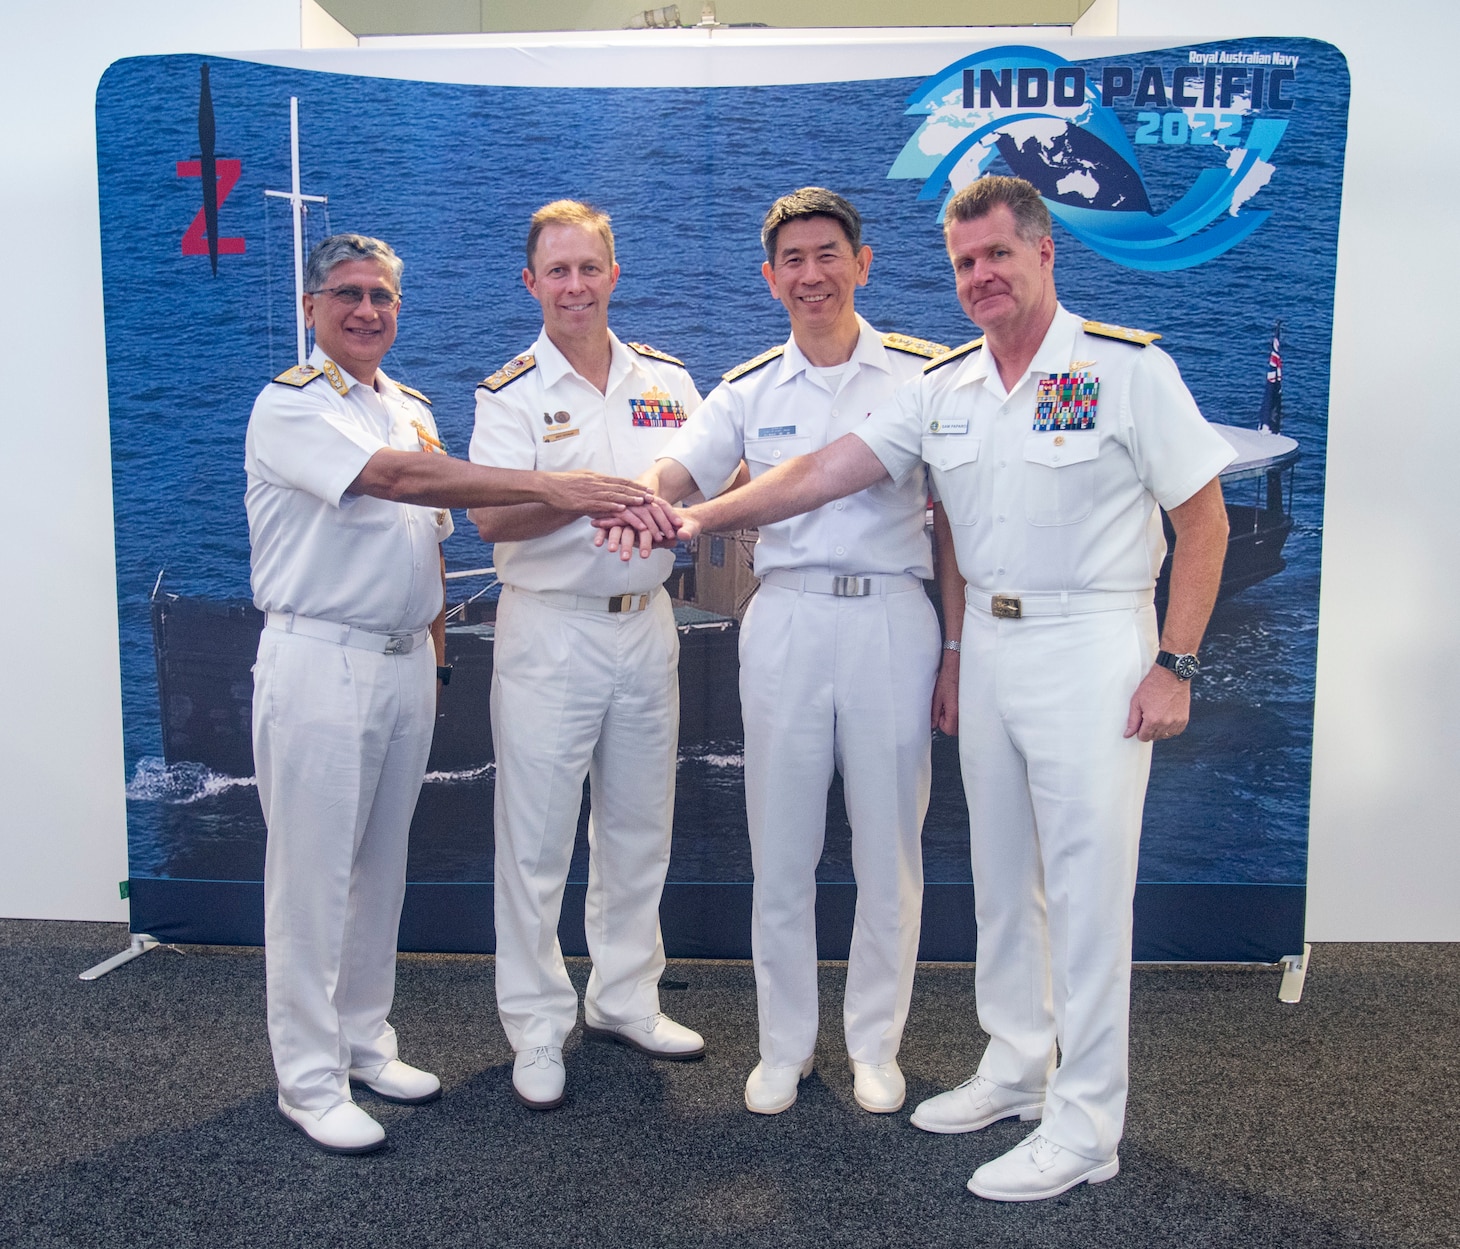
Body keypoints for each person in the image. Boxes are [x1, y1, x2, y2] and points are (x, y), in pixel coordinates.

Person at [638, 176, 1234, 1200]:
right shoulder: (947, 387)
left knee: (1086, 893)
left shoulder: (1124, 370)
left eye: (998, 255)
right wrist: (692, 520)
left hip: (1093, 641)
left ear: (1046, 254)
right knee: (1004, 881)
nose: (980, 277)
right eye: (964, 262)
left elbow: (1204, 517)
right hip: (991, 646)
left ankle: (1085, 1123)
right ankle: (1013, 1065)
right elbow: (826, 471)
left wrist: (1172, 662)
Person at [247, 233, 652, 1155]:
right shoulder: (293, 404)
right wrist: (565, 487)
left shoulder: (409, 408)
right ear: (313, 307)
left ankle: (362, 1041)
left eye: (382, 296)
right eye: (346, 294)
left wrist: (430, 658)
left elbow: (426, 544)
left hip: (397, 664)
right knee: (310, 881)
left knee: (378, 871)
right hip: (318, 658)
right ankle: (306, 1081)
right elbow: (397, 483)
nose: (365, 311)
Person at [617, 188, 950, 1116]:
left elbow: (954, 523)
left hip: (892, 615)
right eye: (792, 260)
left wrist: (955, 648)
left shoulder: (921, 379)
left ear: (863, 262)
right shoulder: (749, 387)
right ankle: (783, 1046)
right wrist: (647, 498)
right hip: (789, 618)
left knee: (890, 849)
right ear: (771, 279)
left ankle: (875, 1046)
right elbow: (675, 469)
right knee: (783, 848)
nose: (811, 274)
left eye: (827, 254)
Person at [467, 200, 706, 1112]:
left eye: (589, 268)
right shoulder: (511, 393)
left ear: (615, 274)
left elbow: (712, 479)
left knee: (640, 825)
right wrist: (586, 498)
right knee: (534, 842)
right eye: (556, 271)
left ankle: (623, 996)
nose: (575, 285)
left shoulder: (668, 383)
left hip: (646, 622)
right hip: (550, 626)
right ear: (531, 283)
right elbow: (490, 516)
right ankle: (535, 1024)